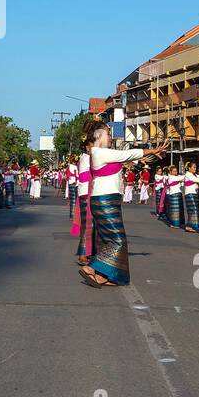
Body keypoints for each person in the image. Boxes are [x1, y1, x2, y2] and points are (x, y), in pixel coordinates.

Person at [79, 123, 169, 287]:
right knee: (118, 240)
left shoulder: (101, 154)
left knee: (110, 239)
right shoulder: (100, 152)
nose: (110, 137)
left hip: (105, 199)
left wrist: (140, 158)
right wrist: (151, 150)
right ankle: (93, 269)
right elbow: (126, 154)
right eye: (107, 134)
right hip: (104, 200)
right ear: (98, 136)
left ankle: (102, 274)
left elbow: (124, 160)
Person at [183, 161, 199, 232]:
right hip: (189, 193)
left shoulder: (194, 175)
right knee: (192, 210)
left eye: (195, 167)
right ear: (189, 168)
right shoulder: (188, 174)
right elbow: (198, 179)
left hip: (194, 193)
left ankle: (192, 225)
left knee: (195, 210)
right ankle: (189, 226)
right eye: (193, 167)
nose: (195, 168)